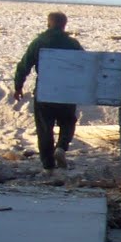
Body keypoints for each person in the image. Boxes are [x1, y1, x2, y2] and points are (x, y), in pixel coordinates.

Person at [13, 11, 83, 172]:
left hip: (45, 90)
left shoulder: (39, 42)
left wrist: (18, 86)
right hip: (66, 90)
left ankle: (48, 164)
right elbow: (84, 64)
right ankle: (61, 147)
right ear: (64, 25)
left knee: (44, 127)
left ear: (48, 24)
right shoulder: (73, 44)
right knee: (68, 121)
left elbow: (24, 65)